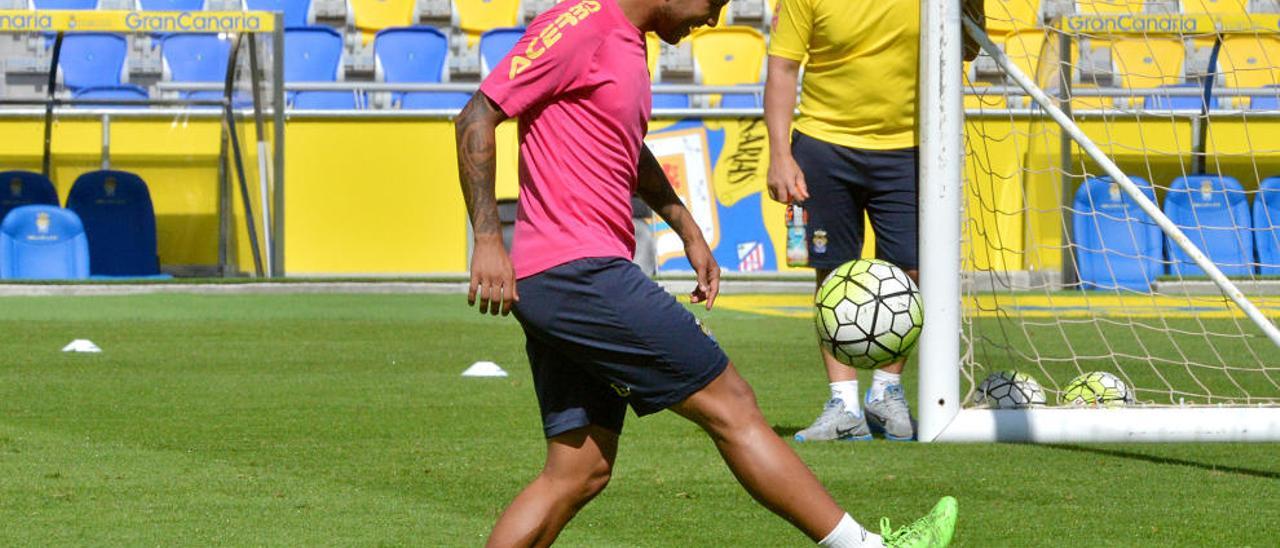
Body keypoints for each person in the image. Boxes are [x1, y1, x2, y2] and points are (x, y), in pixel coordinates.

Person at [454, 0, 959, 545]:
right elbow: (477, 115)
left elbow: (624, 149)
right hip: (579, 274)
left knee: (577, 471)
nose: (713, 20)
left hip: (571, 275)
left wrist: (687, 228)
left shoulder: (627, 42)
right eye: (712, 3)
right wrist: (487, 239)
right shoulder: (580, 25)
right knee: (733, 404)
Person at [764, 0, 984, 442]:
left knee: (913, 272)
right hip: (825, 146)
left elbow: (967, 49)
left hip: (910, 148)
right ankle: (843, 404)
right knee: (833, 276)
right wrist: (780, 153)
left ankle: (887, 394)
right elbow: (783, 68)